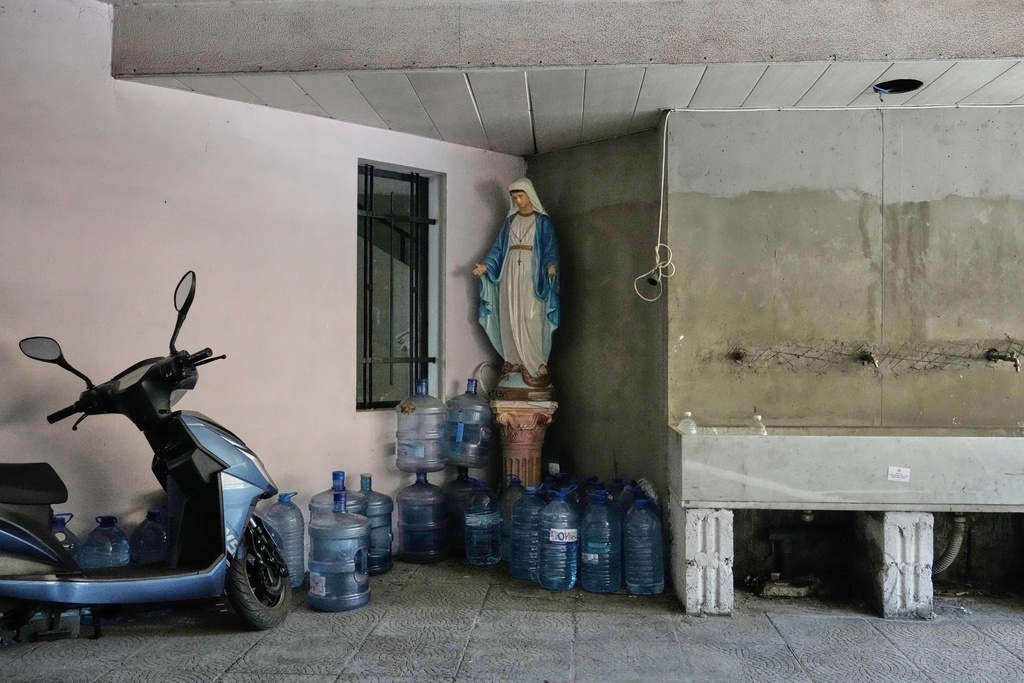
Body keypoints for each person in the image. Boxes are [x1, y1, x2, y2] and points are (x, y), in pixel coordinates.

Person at [474, 178, 560, 387]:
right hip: (509, 271)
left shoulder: (542, 221)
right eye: (514, 197)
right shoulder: (510, 221)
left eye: (520, 196)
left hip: (532, 270)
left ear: (529, 195)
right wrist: (486, 266)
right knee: (509, 314)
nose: (517, 201)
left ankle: (535, 361)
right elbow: (498, 249)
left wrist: (550, 264)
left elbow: (550, 247)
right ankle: (512, 360)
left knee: (530, 316)